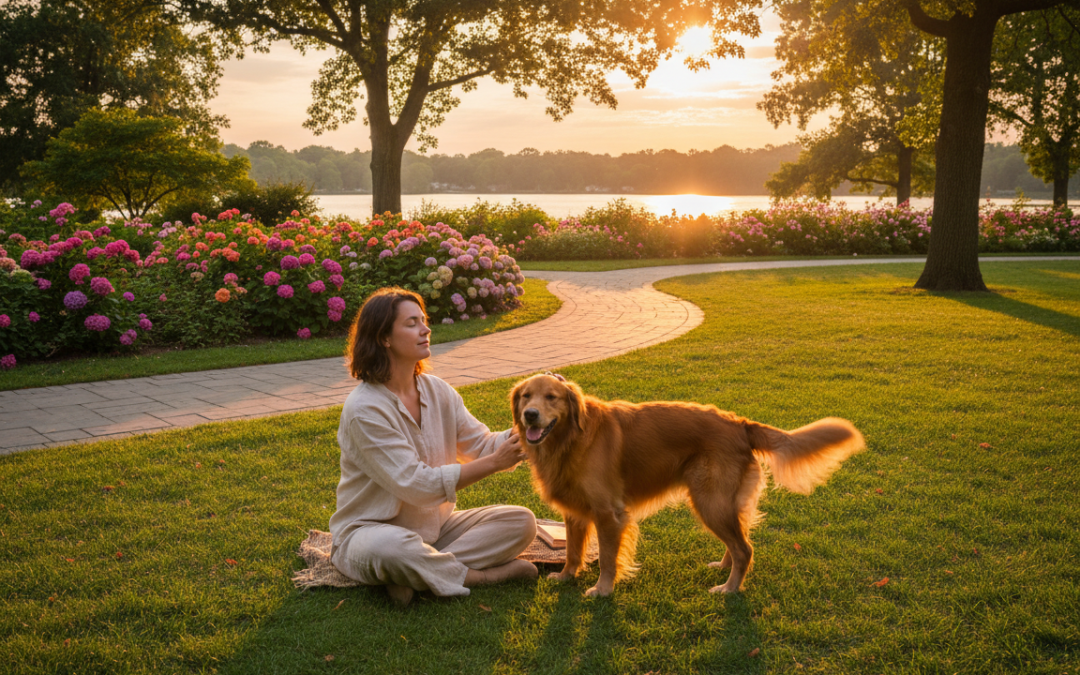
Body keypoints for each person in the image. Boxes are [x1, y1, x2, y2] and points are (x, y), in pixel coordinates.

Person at [330, 287, 538, 606]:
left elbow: (481, 444)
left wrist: (532, 424)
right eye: (412, 323)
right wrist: (495, 463)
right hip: (370, 532)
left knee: (521, 521)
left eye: (424, 320)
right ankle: (480, 576)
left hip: (436, 528)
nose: (426, 329)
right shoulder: (364, 410)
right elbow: (416, 486)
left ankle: (418, 574)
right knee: (393, 550)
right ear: (384, 337)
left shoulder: (437, 390)